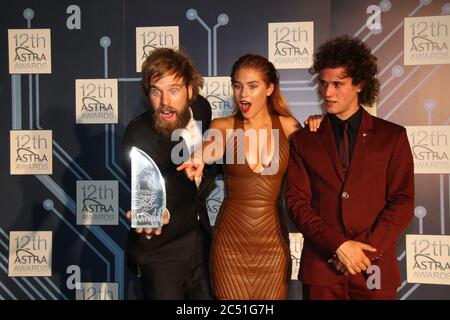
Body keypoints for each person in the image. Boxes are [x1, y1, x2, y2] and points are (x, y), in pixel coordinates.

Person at [285, 35, 414, 300]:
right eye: (323, 83)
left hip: (374, 269)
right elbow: (297, 203)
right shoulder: (303, 139)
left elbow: (402, 202)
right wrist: (338, 246)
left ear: (359, 85)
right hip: (322, 270)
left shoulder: (393, 136)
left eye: (337, 84)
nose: (327, 92)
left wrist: (361, 253)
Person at [178, 54, 300, 299]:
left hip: (273, 247)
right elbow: (212, 144)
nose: (243, 94)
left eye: (252, 86)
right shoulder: (224, 125)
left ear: (269, 88)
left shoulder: (288, 126)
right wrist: (200, 155)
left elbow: (318, 159)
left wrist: (319, 124)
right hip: (230, 248)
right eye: (237, 85)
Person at [122, 48, 216, 299]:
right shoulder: (138, 135)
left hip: (202, 245)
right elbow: (146, 190)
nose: (165, 102)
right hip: (162, 250)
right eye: (156, 91)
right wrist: (150, 217)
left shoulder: (203, 111)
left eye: (174, 90)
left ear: (190, 91)